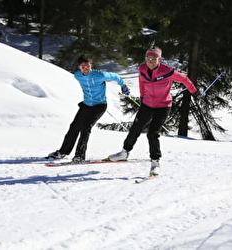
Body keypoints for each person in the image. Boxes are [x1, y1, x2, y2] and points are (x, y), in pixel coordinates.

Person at [108, 47, 201, 176]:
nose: (150, 61)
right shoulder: (142, 69)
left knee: (152, 133)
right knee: (136, 128)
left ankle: (155, 162)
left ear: (159, 59)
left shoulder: (168, 71)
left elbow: (184, 79)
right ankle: (124, 152)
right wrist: (142, 96)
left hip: (163, 106)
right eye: (148, 59)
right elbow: (141, 82)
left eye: (153, 59)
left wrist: (194, 92)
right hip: (147, 103)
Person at [48, 54, 130, 163]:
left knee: (86, 127)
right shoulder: (77, 75)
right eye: (83, 67)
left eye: (87, 66)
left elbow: (115, 76)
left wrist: (123, 86)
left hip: (99, 106)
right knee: (74, 127)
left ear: (91, 65)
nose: (86, 69)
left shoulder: (99, 75)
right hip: (86, 105)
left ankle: (79, 156)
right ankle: (63, 152)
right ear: (79, 67)